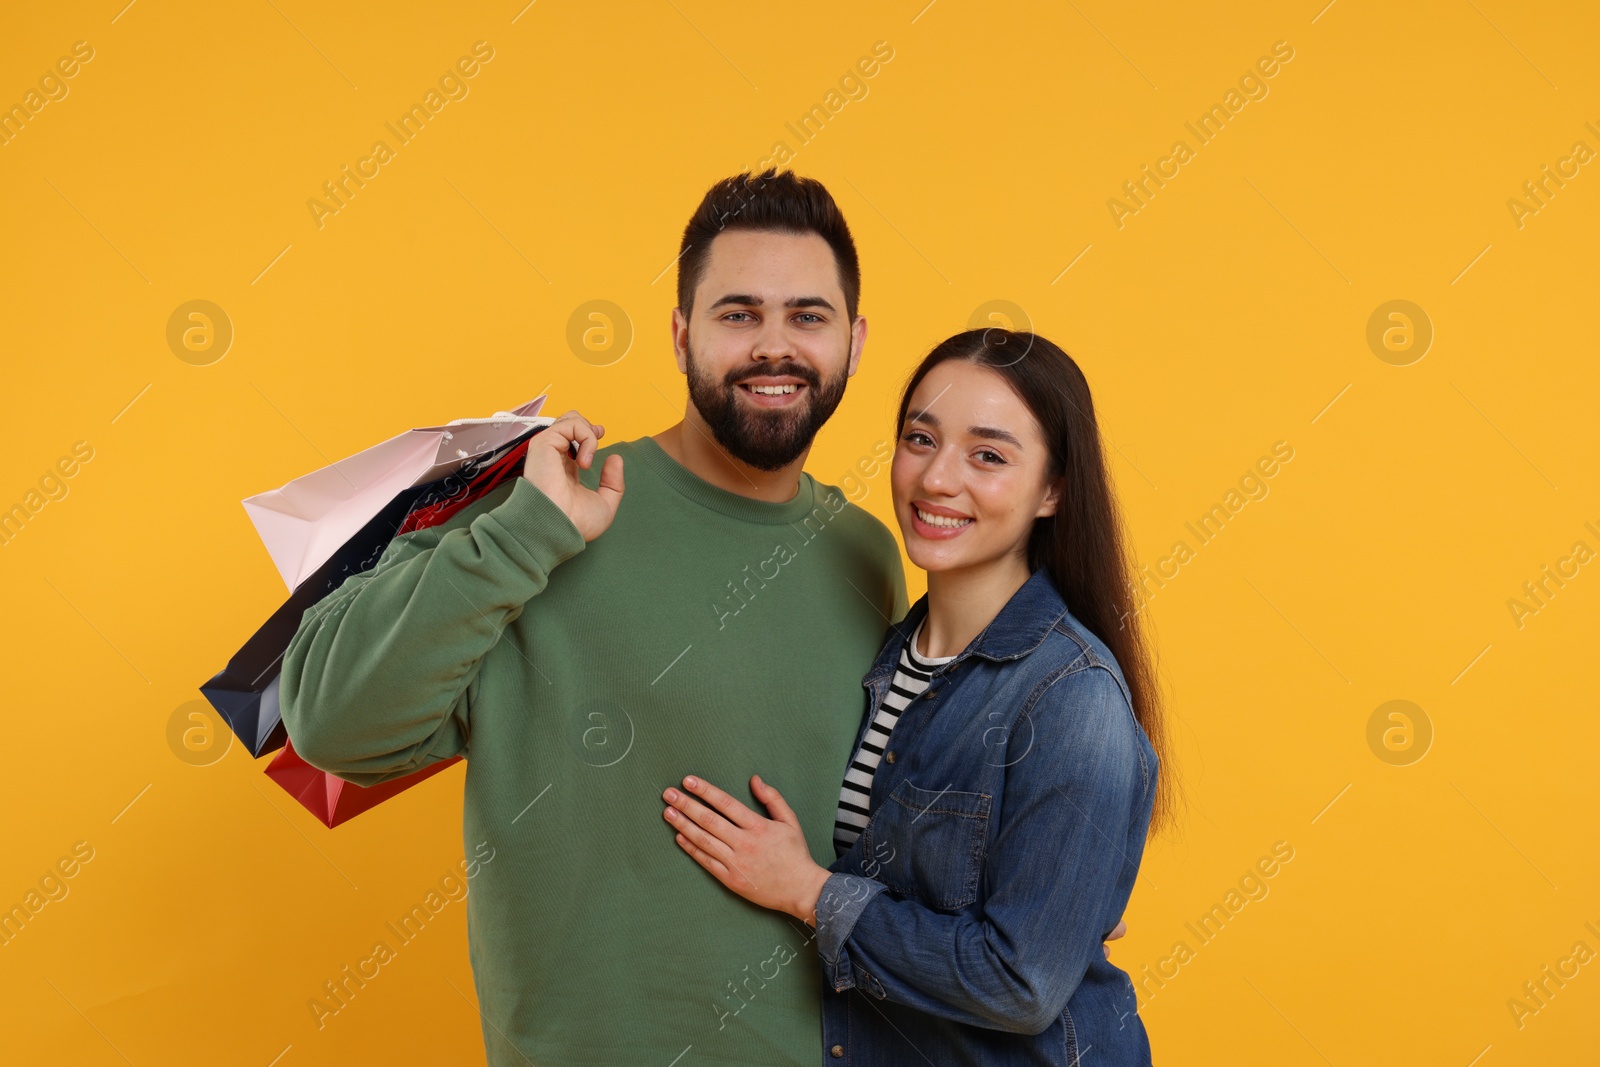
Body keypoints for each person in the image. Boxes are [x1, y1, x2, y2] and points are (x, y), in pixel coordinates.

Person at [279, 170, 910, 1066]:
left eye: (808, 316)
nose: (776, 346)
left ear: (854, 338)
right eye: (738, 314)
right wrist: (524, 535)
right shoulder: (553, 507)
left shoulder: (870, 554)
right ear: (682, 334)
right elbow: (334, 724)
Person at [660, 328, 1173, 1065]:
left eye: (988, 455)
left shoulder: (1069, 694)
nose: (937, 479)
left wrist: (807, 889)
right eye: (920, 438)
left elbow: (1021, 982)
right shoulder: (888, 656)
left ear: (1053, 489)